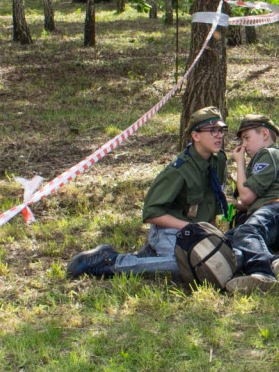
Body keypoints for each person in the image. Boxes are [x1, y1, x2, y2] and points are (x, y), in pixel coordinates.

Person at [67, 106, 230, 280]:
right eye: (212, 130)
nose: (219, 135)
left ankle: (147, 256)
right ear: (195, 135)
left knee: (222, 260)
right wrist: (191, 228)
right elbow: (151, 213)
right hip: (170, 230)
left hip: (196, 232)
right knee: (190, 266)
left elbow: (213, 202)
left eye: (221, 130)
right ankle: (111, 262)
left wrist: (210, 235)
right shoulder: (179, 170)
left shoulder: (218, 160)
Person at [224, 113, 279, 293]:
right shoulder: (263, 158)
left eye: (246, 138)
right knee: (225, 242)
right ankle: (277, 263)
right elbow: (248, 201)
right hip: (266, 213)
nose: (243, 145)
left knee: (248, 231)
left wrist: (239, 162)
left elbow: (247, 196)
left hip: (275, 209)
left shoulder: (269, 154)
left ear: (264, 134)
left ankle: (262, 274)